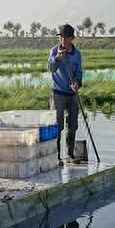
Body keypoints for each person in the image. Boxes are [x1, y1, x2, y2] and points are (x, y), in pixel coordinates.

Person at [48, 24, 83, 163]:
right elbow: (51, 68)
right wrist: (57, 58)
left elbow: (79, 72)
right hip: (58, 93)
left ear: (72, 38)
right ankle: (57, 157)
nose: (62, 40)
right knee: (57, 125)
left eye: (66, 38)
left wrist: (77, 84)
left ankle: (70, 154)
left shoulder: (77, 54)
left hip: (72, 94)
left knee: (73, 125)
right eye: (61, 37)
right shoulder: (54, 51)